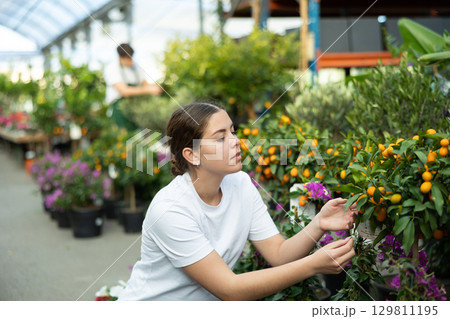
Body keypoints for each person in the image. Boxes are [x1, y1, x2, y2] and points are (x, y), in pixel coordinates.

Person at [118, 101, 357, 301]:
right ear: (192, 155)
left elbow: (278, 253)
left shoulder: (241, 184)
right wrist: (313, 265)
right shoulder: (171, 209)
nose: (235, 141)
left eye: (232, 131)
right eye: (220, 138)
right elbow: (230, 289)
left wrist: (318, 223)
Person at [104, 43, 162, 130]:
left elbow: (145, 84)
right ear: (120, 58)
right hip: (119, 109)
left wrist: (155, 88)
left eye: (131, 57)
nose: (130, 61)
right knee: (122, 136)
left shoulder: (136, 67)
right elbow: (124, 91)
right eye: (127, 58)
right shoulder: (112, 68)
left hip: (135, 109)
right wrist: (148, 90)